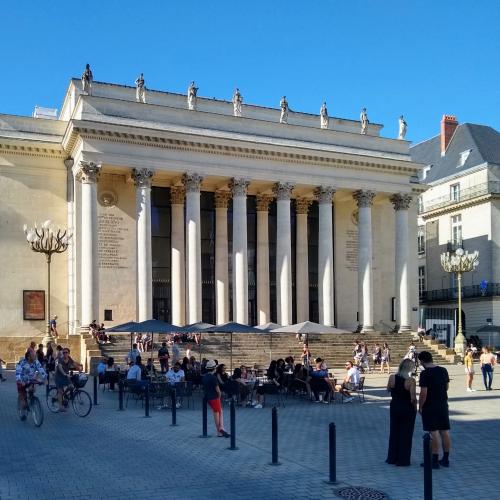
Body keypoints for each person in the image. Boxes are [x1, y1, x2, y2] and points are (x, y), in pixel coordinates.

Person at [418, 351, 451, 469]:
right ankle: (446, 459)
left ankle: (435, 460)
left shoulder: (425, 374)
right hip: (442, 404)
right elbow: (447, 387)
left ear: (421, 361)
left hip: (430, 406)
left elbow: (423, 393)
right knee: (445, 431)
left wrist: (420, 406)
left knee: (434, 432)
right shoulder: (443, 370)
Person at [386, 358, 417, 466]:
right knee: (406, 433)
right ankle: (403, 459)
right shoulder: (411, 380)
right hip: (407, 407)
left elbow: (388, 389)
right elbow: (413, 398)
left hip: (395, 406)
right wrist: (415, 408)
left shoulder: (392, 377)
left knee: (394, 431)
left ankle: (392, 457)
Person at [15, 349, 47, 419]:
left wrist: (45, 379)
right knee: (23, 400)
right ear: (29, 357)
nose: (35, 356)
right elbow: (18, 373)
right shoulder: (22, 363)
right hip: (22, 381)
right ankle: (23, 410)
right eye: (34, 355)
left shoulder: (36, 362)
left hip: (31, 380)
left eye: (36, 355)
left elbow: (41, 370)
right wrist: (20, 381)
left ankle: (32, 399)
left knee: (32, 389)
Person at [202, 360, 230, 438]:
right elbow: (218, 390)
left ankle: (221, 428)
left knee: (219, 411)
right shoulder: (213, 378)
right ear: (214, 368)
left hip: (208, 397)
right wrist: (219, 396)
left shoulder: (205, 377)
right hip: (214, 397)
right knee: (217, 412)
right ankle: (219, 430)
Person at [55, 348, 82, 412]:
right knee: (60, 391)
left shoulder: (69, 359)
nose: (65, 354)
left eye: (66, 352)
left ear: (69, 353)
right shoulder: (60, 359)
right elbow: (59, 367)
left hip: (66, 376)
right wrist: (64, 374)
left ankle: (64, 396)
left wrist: (80, 370)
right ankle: (60, 407)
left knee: (71, 386)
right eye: (63, 353)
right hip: (59, 376)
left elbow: (74, 364)